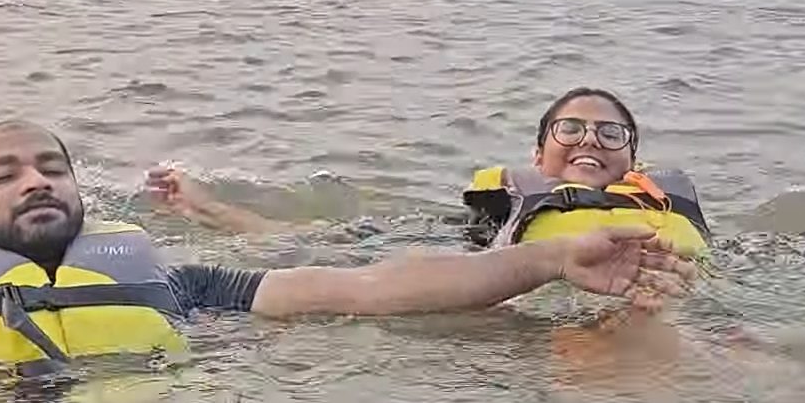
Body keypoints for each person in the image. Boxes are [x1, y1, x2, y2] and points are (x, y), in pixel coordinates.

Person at [0, 120, 695, 377]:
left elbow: (366, 289)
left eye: (52, 166)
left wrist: (542, 261)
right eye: (4, 173)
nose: (36, 181)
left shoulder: (178, 283)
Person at [149, 88, 711, 257]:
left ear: (633, 162)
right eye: (570, 130)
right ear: (539, 156)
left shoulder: (667, 213)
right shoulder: (491, 220)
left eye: (610, 134)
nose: (590, 139)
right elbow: (333, 249)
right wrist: (214, 209)